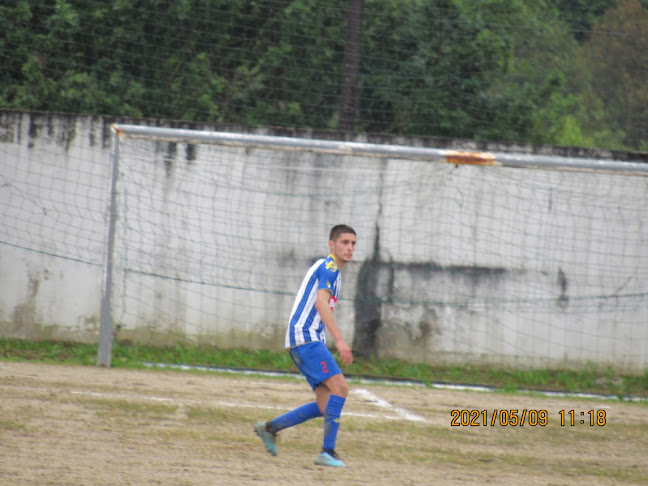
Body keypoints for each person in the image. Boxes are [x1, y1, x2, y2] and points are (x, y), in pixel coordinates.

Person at [254, 224, 357, 468]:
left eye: (353, 243)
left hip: (302, 340)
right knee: (340, 389)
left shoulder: (332, 271)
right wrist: (340, 341)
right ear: (331, 245)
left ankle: (269, 429)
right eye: (344, 242)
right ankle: (327, 452)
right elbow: (321, 304)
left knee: (325, 404)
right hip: (305, 337)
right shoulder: (330, 267)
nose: (350, 247)